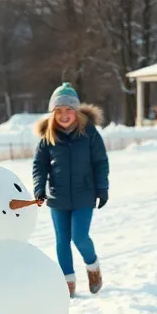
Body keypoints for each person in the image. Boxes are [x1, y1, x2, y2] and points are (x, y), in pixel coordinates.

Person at [33, 82, 110, 297]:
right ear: (53, 113)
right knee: (61, 240)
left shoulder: (89, 133)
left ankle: (92, 266)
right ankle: (67, 281)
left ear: (76, 111)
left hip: (85, 195)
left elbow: (100, 162)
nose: (64, 115)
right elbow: (39, 165)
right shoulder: (48, 137)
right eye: (59, 111)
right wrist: (39, 188)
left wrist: (102, 189)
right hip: (58, 198)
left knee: (80, 237)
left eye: (68, 110)